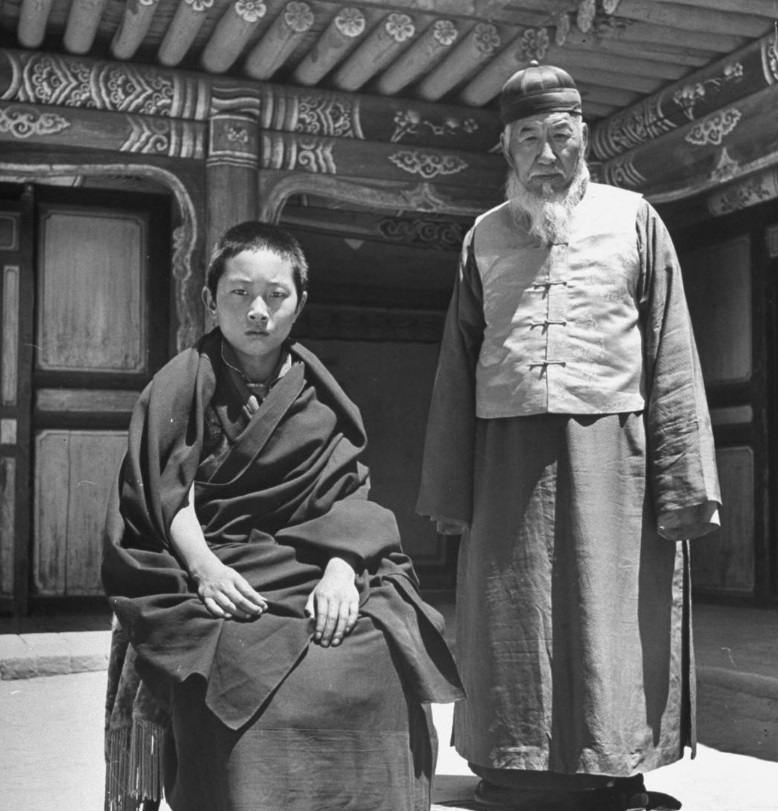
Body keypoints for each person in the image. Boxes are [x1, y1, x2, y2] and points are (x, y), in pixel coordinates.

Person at [416, 62, 721, 811]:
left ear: (583, 137)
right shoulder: (482, 236)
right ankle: (512, 770)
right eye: (529, 139)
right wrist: (450, 487)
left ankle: (613, 770)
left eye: (561, 135)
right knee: (509, 610)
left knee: (611, 612)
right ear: (507, 149)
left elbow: (672, 346)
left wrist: (683, 479)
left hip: (614, 453)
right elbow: (457, 360)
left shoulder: (635, 218)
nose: (547, 155)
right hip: (505, 458)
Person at [102, 221, 463, 811]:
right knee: (232, 652)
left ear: (300, 303)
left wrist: (341, 572)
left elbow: (347, 496)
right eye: (240, 293)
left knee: (376, 641)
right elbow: (165, 494)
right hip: (214, 557)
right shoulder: (182, 383)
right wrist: (204, 569)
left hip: (307, 560)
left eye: (276, 295)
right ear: (210, 299)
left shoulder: (316, 393)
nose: (258, 311)